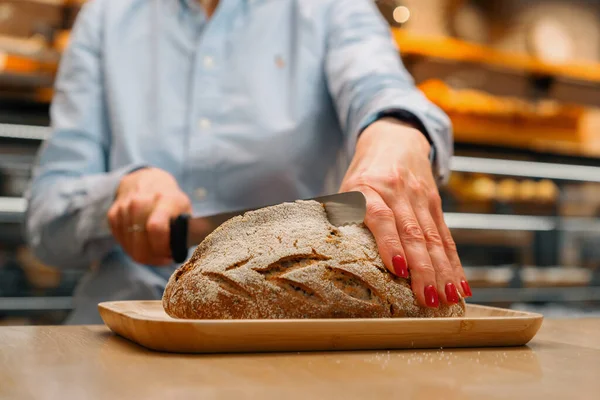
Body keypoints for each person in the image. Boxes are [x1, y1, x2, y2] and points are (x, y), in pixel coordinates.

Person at [25, 0, 472, 325]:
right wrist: (119, 192)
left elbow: (380, 84)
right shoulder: (106, 17)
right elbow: (45, 223)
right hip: (121, 332)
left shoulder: (331, 9)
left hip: (298, 347)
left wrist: (395, 129)